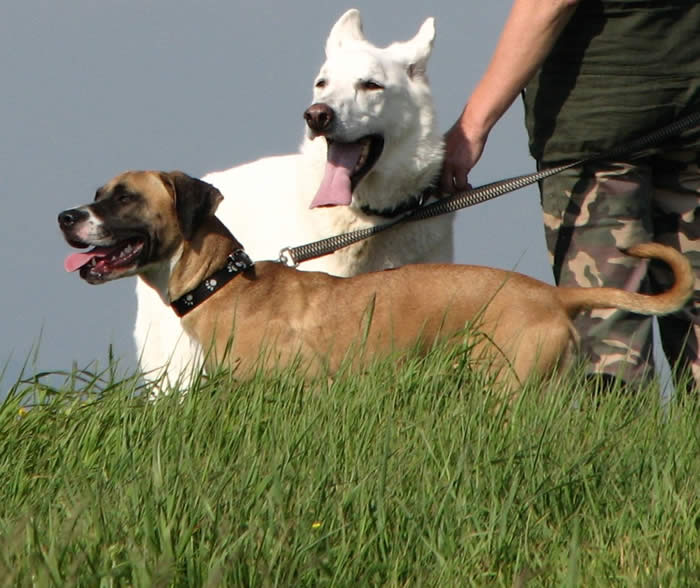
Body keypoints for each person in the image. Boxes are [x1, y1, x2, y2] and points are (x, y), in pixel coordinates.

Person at [442, 0, 700, 393]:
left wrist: (471, 127)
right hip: (689, 117)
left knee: (609, 340)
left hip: (597, 130)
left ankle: (621, 453)